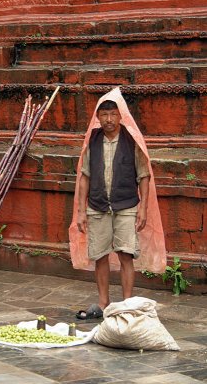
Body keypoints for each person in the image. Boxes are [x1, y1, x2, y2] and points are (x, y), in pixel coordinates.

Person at [69, 87, 166, 320]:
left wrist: (142, 207)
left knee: (125, 255)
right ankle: (103, 303)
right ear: (98, 117)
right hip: (97, 205)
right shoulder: (92, 140)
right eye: (104, 114)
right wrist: (81, 211)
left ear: (121, 115)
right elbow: (84, 177)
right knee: (100, 255)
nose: (109, 119)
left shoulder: (132, 140)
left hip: (127, 205)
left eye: (113, 113)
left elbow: (144, 175)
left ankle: (126, 304)